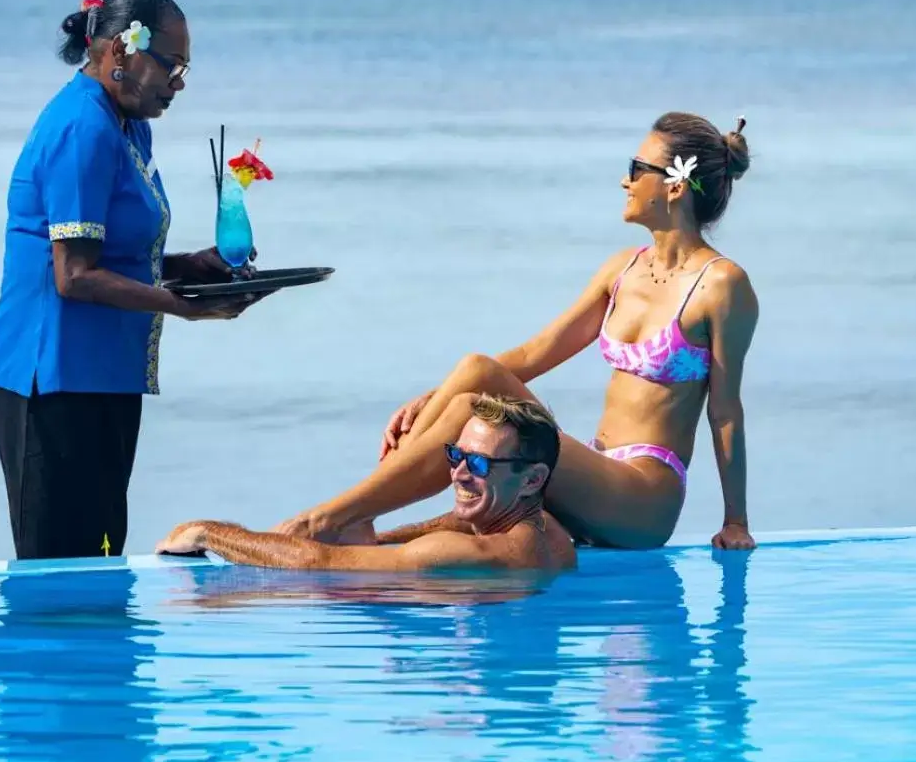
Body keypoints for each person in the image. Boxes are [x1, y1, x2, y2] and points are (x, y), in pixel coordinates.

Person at [277, 111, 758, 551]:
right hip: (591, 471)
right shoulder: (623, 269)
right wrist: (435, 396)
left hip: (643, 498)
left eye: (636, 168)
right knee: (470, 405)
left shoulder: (721, 284)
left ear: (675, 187)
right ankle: (362, 531)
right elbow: (537, 353)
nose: (624, 180)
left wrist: (736, 521)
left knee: (478, 373)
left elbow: (726, 412)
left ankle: (328, 519)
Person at [0, 0, 255, 561]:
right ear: (121, 53)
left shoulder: (129, 123)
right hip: (48, 378)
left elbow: (118, 253)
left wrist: (190, 266)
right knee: (58, 569)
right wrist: (178, 303)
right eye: (172, 65)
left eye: (184, 67)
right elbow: (73, 275)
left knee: (102, 555)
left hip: (100, 374)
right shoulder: (83, 128)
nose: (178, 82)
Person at [155, 394, 576, 573]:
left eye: (480, 464)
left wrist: (211, 533)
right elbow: (465, 522)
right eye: (455, 455)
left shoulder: (464, 556)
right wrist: (384, 539)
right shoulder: (551, 535)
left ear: (532, 479)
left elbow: (319, 566)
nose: (459, 473)